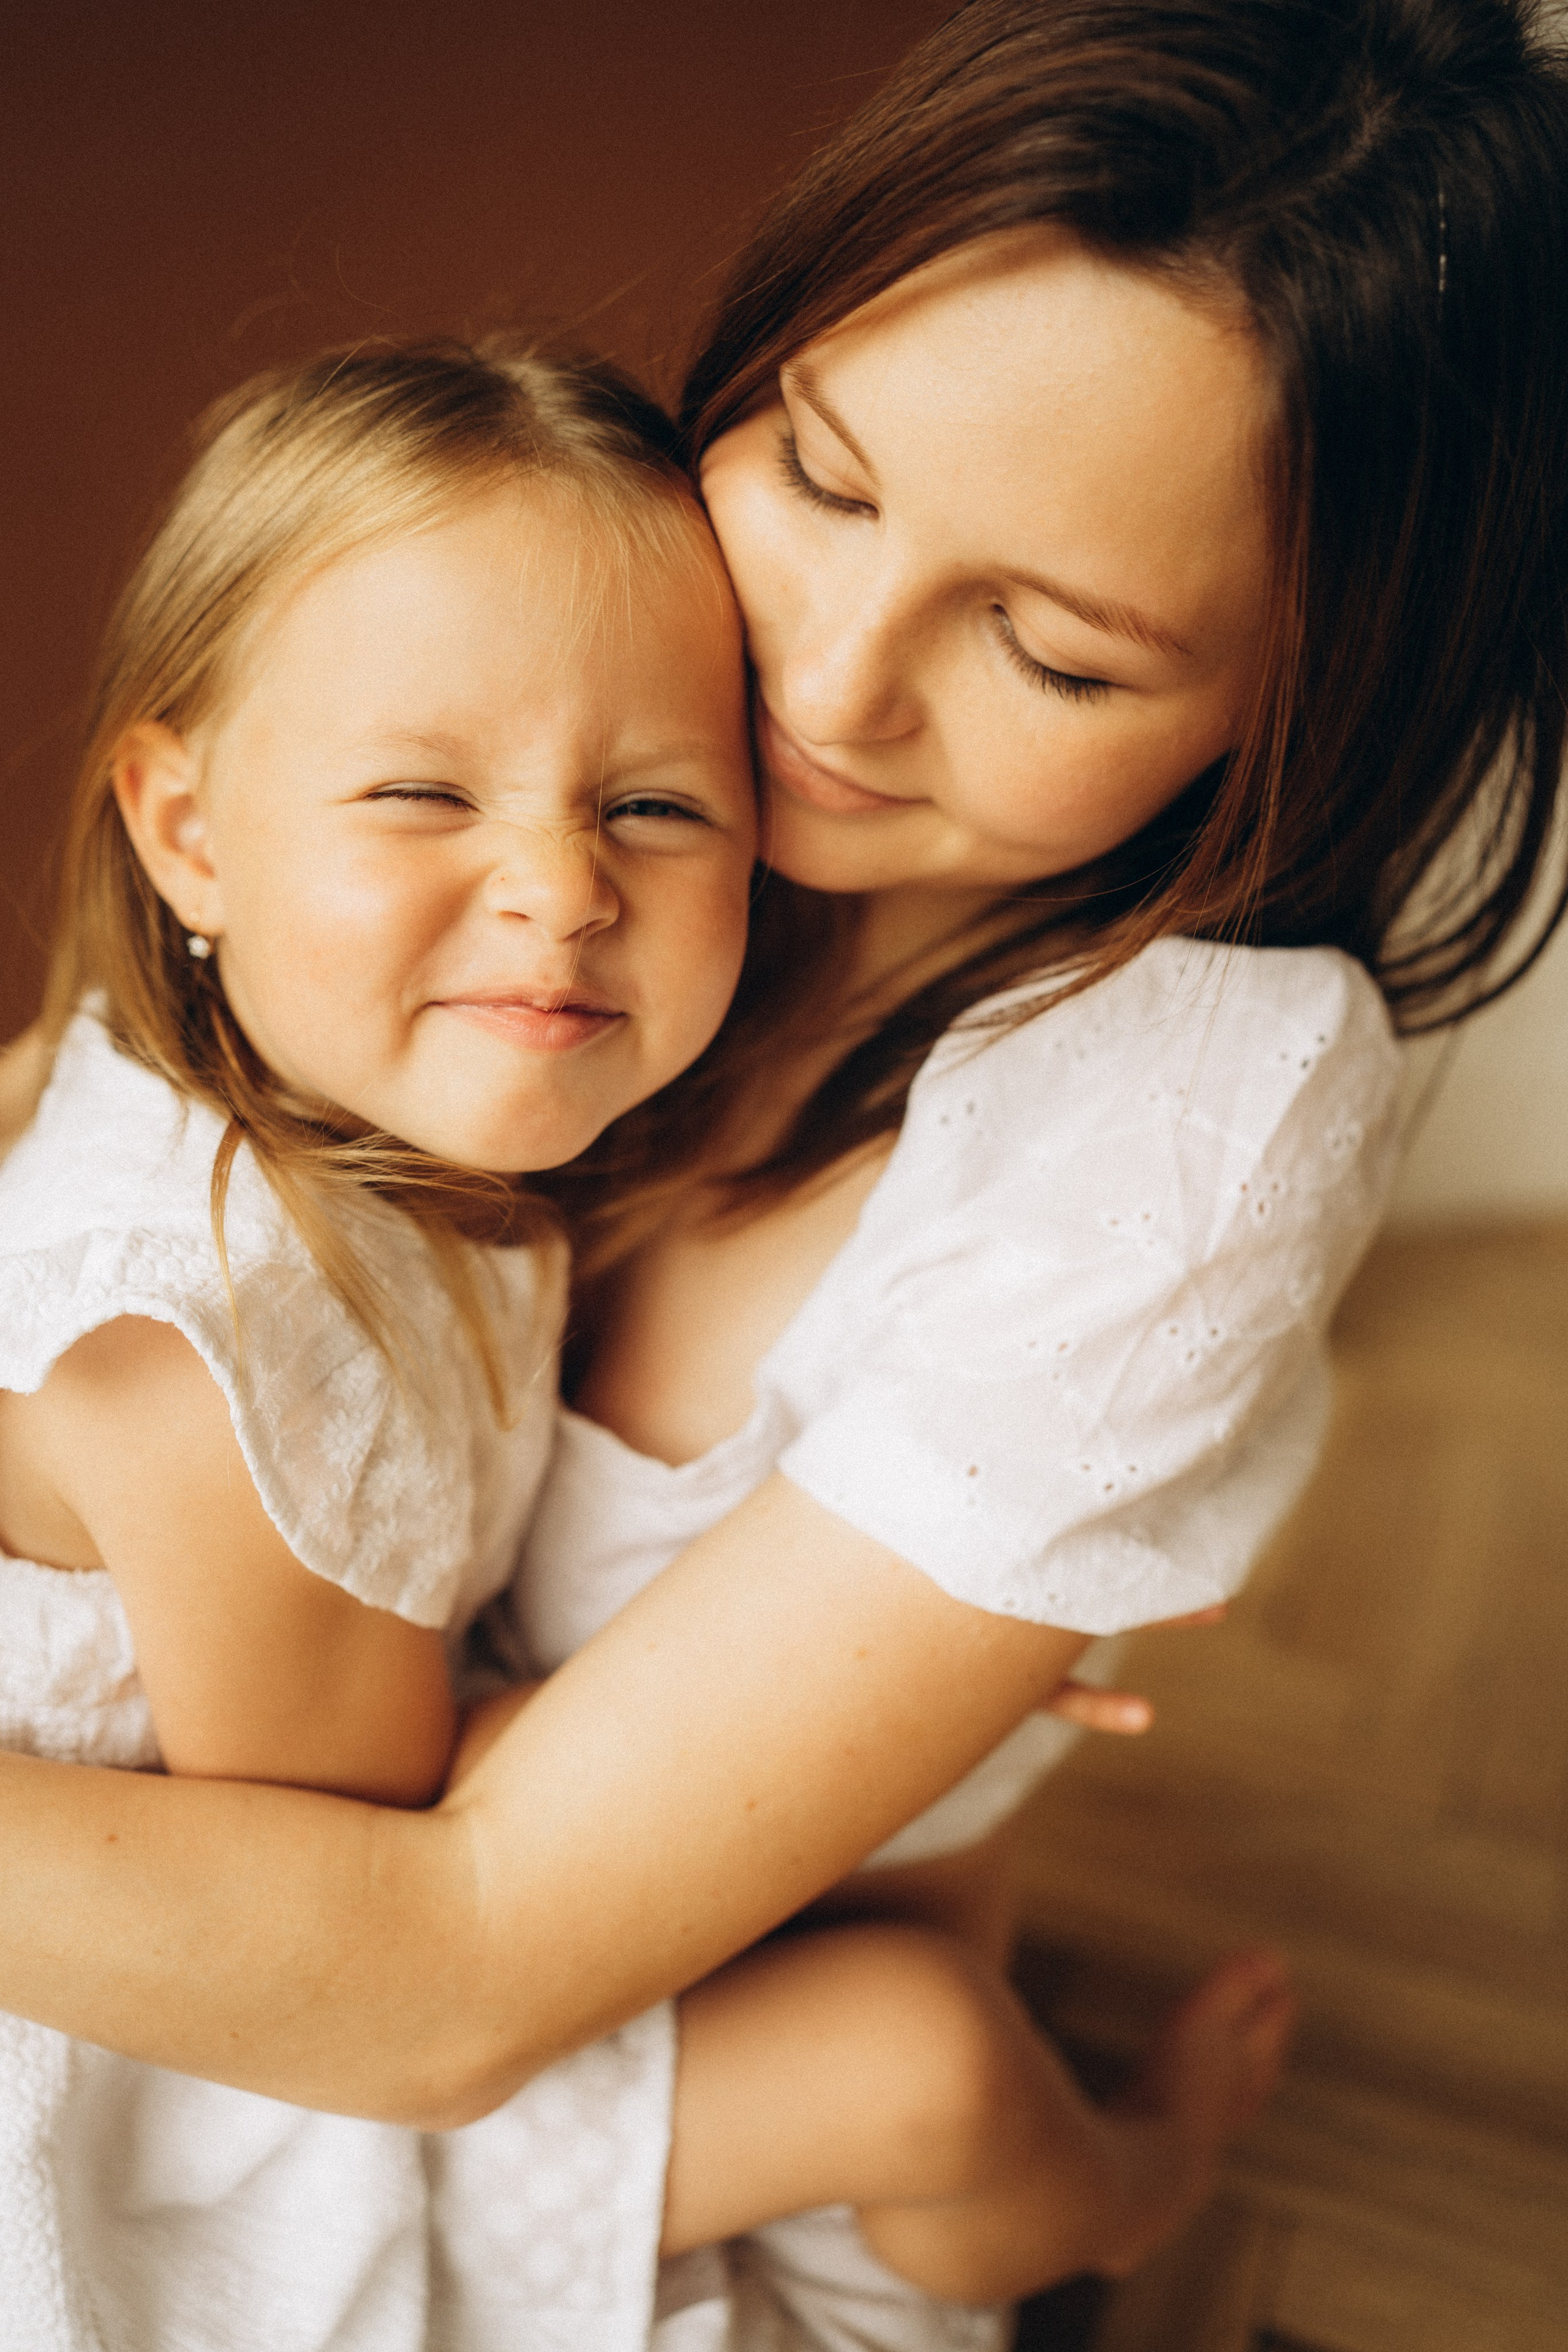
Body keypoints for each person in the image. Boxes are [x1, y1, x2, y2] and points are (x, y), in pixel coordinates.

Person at [0, 0, 1563, 2346]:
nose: (819, 686)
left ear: (1298, 708)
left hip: (522, 2001)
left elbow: (444, 1976)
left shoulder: (1167, 1113)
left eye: (1048, 650)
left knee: (922, 2092)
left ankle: (1125, 2200)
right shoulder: (531, 690)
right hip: (244, 1918)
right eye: (821, 479)